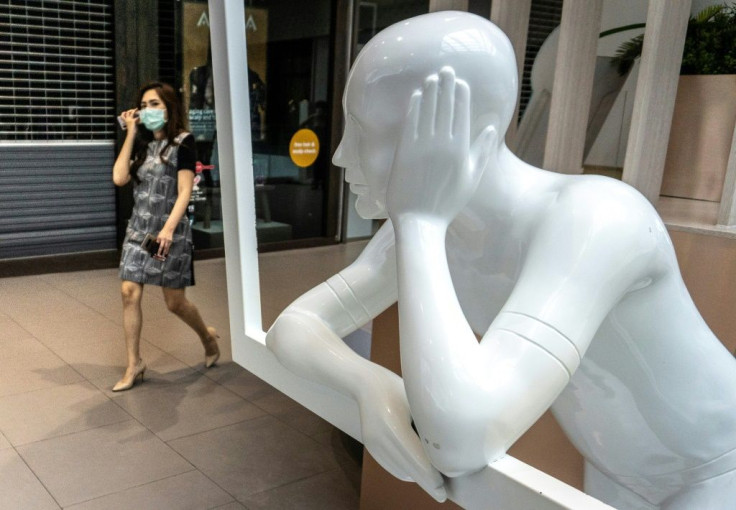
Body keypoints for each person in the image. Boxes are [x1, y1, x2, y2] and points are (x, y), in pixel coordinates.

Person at [265, 11, 736, 510]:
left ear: (465, 139)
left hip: (718, 466)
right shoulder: (428, 230)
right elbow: (292, 327)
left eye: (367, 132)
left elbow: (463, 439)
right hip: (616, 471)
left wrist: (420, 222)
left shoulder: (598, 218)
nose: (339, 155)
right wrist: (368, 384)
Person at [112, 81, 220, 392]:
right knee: (129, 292)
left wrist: (169, 229)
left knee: (175, 303)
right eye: (144, 105)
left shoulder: (184, 142)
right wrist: (131, 132)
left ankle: (207, 338)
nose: (148, 110)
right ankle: (135, 364)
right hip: (138, 232)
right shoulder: (143, 145)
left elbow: (185, 190)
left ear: (169, 108)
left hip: (169, 233)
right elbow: (119, 178)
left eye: (154, 104)